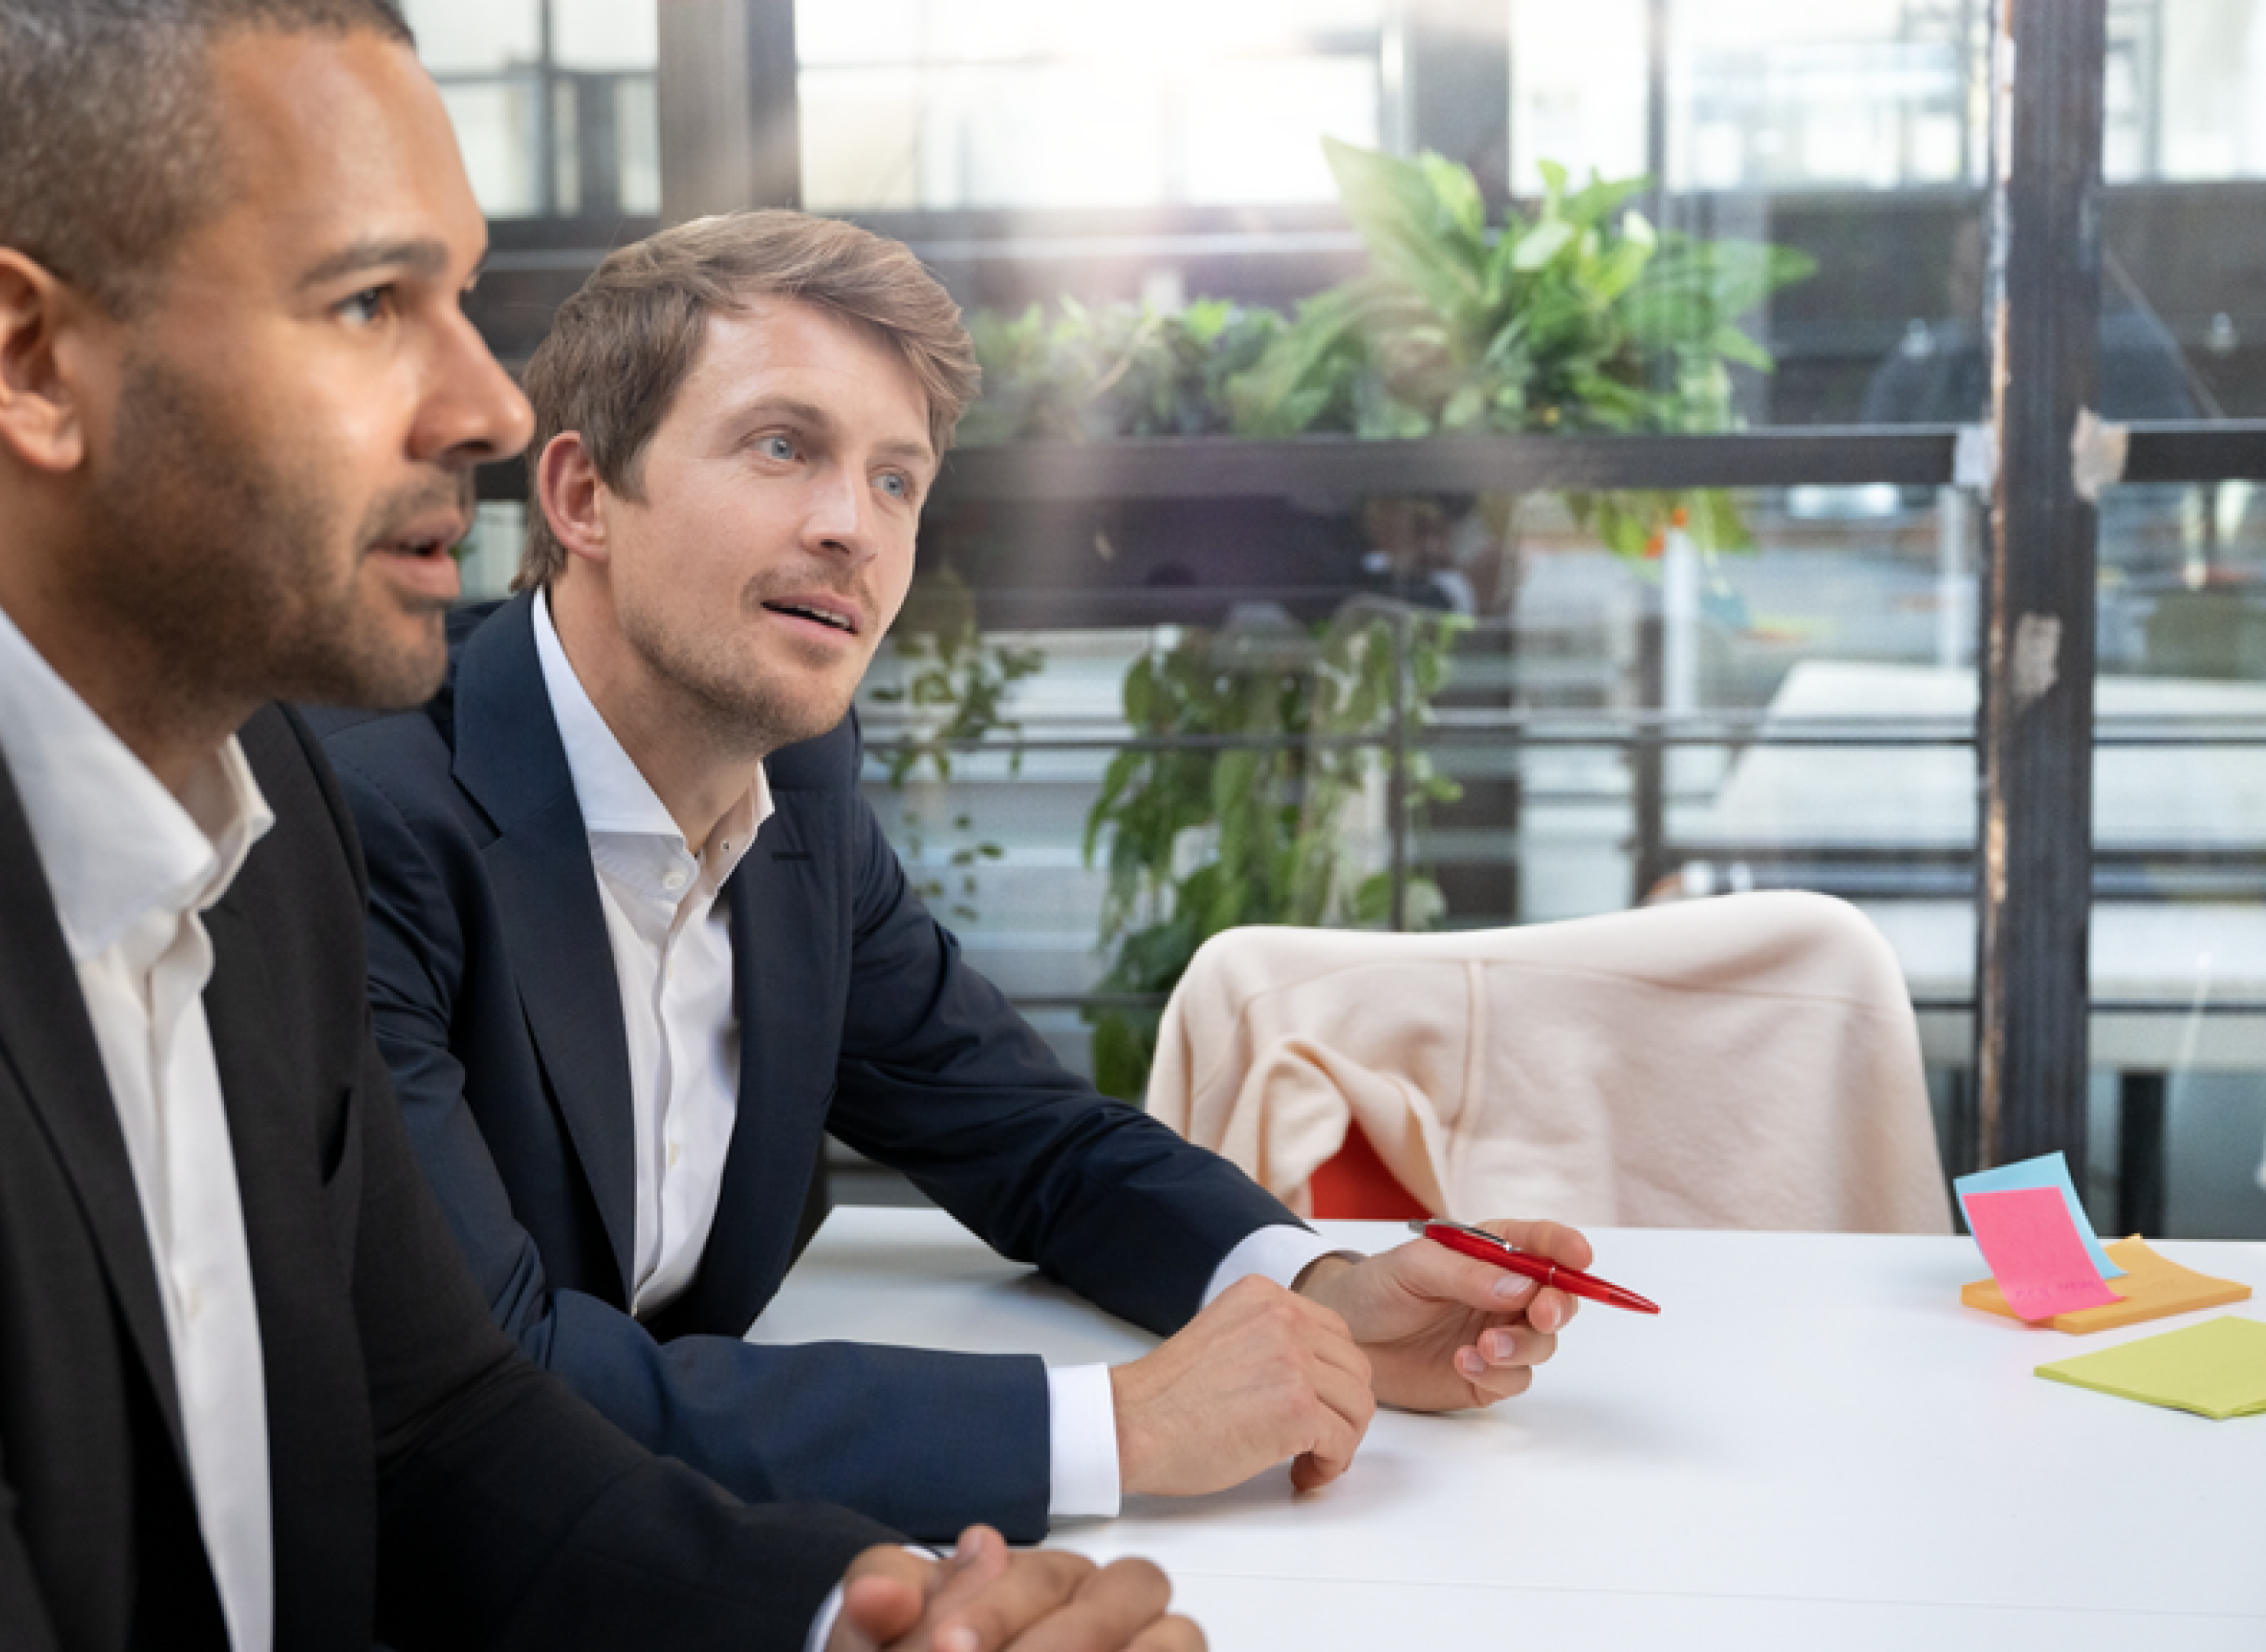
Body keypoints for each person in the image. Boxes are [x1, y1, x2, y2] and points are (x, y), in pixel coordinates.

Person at [0, 5, 1196, 1648]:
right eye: (373, 303)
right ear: (32, 360)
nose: (483, 400)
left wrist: (837, 1625)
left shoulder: (257, 779)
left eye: (460, 300)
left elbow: (435, 1426)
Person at [305, 210, 1595, 1545]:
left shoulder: (791, 789)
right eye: (782, 446)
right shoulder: (369, 820)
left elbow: (1029, 1138)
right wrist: (1117, 1427)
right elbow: (487, 1379)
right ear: (581, 498)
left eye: (896, 482)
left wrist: (1320, 1287)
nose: (851, 530)